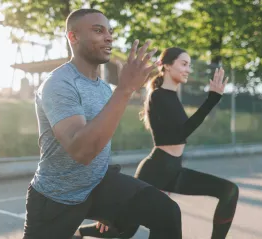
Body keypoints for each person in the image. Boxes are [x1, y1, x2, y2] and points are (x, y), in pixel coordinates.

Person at [22, 9, 183, 239]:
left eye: (110, 32)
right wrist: (125, 89)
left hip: (98, 185)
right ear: (73, 37)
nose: (109, 37)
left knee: (166, 212)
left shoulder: (103, 88)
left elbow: (101, 141)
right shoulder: (58, 84)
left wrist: (111, 205)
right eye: (98, 31)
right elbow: (82, 151)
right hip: (57, 196)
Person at [77, 47, 240, 239]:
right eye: (184, 64)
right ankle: (76, 232)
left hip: (174, 170)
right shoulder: (158, 96)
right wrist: (211, 100)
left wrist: (212, 100)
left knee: (229, 190)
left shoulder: (172, 97)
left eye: (190, 65)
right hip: (156, 170)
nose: (188, 69)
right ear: (167, 66)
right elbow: (181, 133)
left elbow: (181, 132)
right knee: (124, 229)